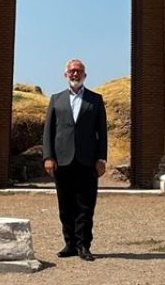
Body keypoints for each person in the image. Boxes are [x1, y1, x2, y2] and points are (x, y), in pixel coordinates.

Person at [42, 58, 108, 261]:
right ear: (66, 75)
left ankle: (83, 245)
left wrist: (101, 159)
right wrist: (48, 156)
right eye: (71, 71)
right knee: (65, 204)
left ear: (85, 75)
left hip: (87, 161)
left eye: (79, 71)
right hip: (62, 160)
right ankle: (69, 243)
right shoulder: (56, 99)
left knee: (86, 205)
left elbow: (102, 132)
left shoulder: (95, 100)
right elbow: (49, 131)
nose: (75, 74)